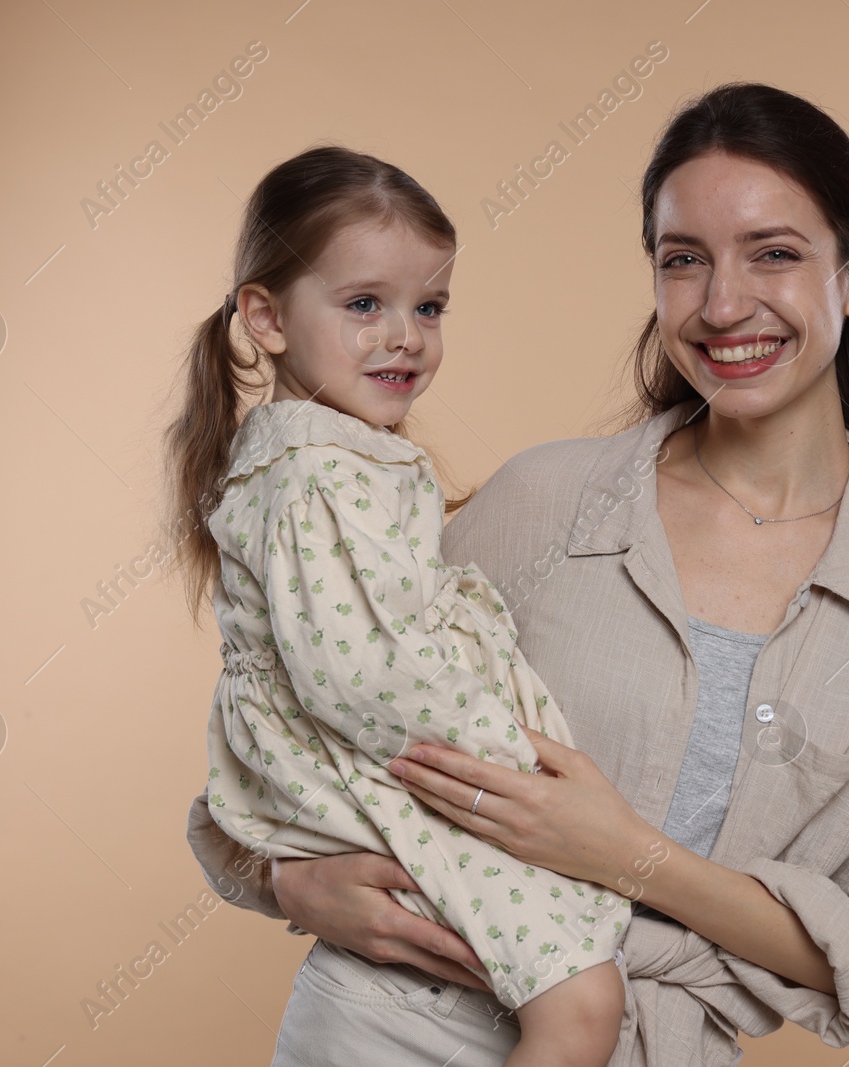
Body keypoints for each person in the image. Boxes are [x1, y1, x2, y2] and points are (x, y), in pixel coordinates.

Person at [185, 82, 849, 1067]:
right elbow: (299, 710)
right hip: (388, 1023)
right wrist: (288, 880)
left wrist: (631, 857)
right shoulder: (543, 501)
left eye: (773, 253)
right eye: (683, 261)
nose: (722, 304)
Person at [165, 144, 627, 1067]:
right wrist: (510, 769)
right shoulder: (314, 472)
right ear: (265, 317)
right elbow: (360, 673)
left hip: (371, 773)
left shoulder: (333, 455)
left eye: (430, 306)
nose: (405, 335)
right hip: (392, 774)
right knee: (582, 1002)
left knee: (575, 989)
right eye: (364, 304)